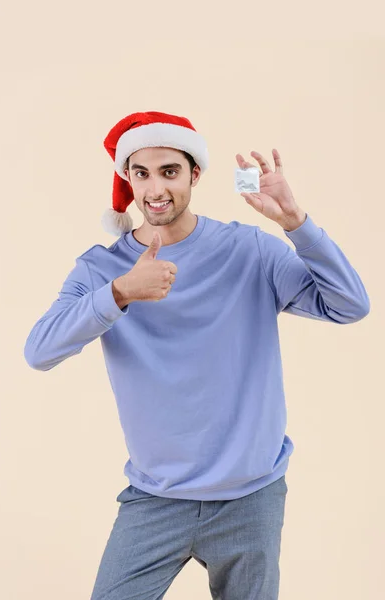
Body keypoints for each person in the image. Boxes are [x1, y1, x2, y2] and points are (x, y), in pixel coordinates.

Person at [23, 111, 370, 600]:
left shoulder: (249, 249)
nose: (154, 188)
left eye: (169, 171)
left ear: (195, 175)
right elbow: (39, 351)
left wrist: (296, 223)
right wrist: (120, 292)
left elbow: (349, 305)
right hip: (154, 499)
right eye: (140, 173)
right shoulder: (100, 269)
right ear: (128, 180)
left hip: (250, 497)